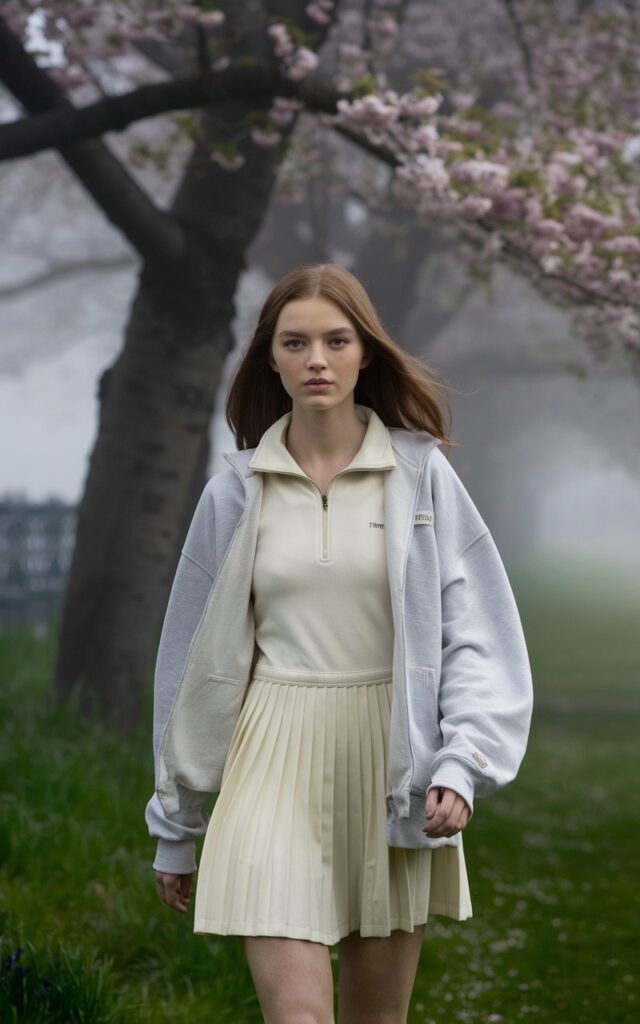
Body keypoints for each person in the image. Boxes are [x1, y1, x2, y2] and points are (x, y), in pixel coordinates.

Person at [145, 263, 533, 1024]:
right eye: (296, 342)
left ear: (365, 353)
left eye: (336, 340)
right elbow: (188, 664)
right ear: (271, 358)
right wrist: (176, 824)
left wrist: (462, 759)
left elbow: (478, 635)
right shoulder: (235, 489)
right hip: (267, 758)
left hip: (390, 758)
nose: (316, 359)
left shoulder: (422, 477)